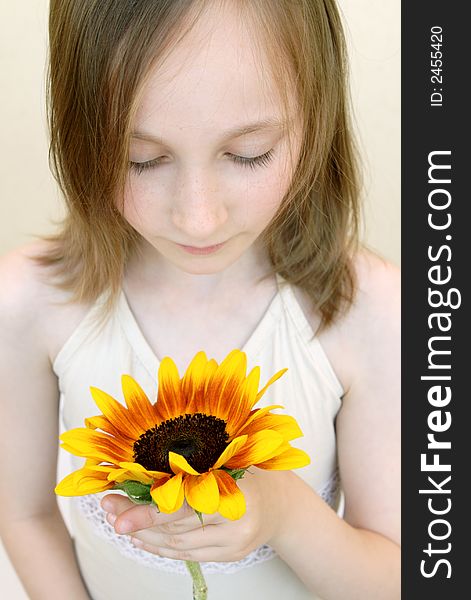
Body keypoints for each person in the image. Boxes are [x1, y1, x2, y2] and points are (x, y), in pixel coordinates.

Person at [0, 0, 400, 598]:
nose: (198, 216)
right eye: (143, 160)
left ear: (318, 122)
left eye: (249, 154)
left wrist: (283, 513)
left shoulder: (367, 311)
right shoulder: (30, 302)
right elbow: (23, 516)